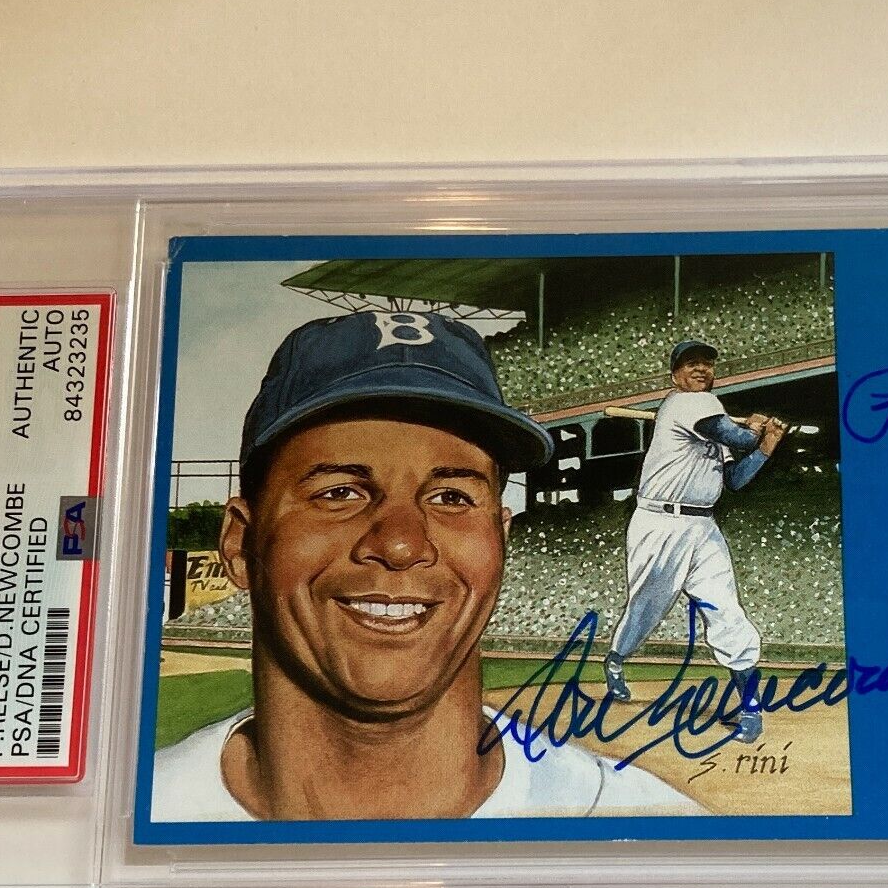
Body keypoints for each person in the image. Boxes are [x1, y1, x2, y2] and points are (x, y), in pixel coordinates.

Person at [152, 309, 700, 821]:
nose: (400, 545)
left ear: (500, 541)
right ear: (240, 545)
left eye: (452, 498)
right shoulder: (134, 822)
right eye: (339, 492)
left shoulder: (649, 830)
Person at [604, 340, 786, 743]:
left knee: (728, 613)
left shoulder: (710, 416)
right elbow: (737, 437)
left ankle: (750, 709)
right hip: (658, 522)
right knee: (644, 609)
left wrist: (765, 448)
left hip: (703, 528)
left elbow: (735, 480)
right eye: (691, 364)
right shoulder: (684, 403)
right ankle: (616, 658)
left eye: (707, 363)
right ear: (675, 376)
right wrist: (753, 429)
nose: (701, 368)